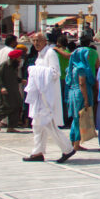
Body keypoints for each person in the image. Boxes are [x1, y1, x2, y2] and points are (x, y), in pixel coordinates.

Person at [23, 34, 75, 163]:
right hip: (40, 96)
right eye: (34, 41)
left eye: (38, 41)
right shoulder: (40, 55)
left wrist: (36, 71)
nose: (36, 43)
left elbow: (55, 72)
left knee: (48, 124)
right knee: (37, 124)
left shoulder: (50, 53)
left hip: (48, 97)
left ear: (44, 41)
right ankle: (37, 152)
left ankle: (67, 148)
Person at [65, 47, 95, 149]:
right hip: (80, 95)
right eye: (87, 55)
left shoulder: (71, 67)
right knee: (79, 119)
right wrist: (86, 99)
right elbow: (82, 83)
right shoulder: (81, 67)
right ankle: (77, 143)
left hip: (72, 93)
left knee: (75, 118)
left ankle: (73, 140)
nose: (88, 56)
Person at [0, 49, 24, 132]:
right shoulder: (4, 65)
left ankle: (11, 127)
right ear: (14, 58)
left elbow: (14, 77)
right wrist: (2, 87)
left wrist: (20, 80)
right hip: (6, 90)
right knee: (7, 107)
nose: (20, 59)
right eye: (19, 57)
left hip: (14, 90)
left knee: (17, 106)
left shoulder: (15, 66)